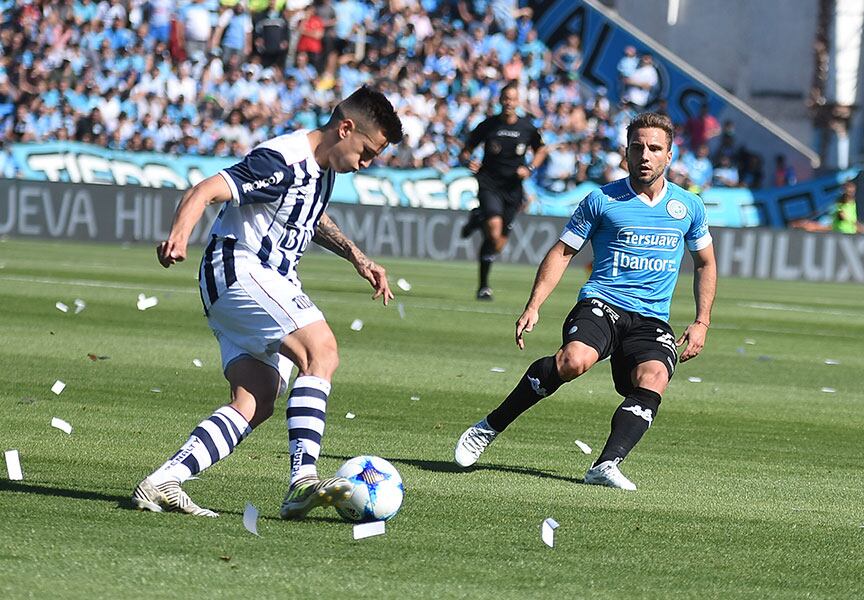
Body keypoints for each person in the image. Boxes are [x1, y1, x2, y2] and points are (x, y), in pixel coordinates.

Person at [131, 86, 404, 519]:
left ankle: (164, 480)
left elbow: (307, 215)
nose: (367, 163)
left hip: (255, 280)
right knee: (322, 351)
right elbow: (205, 189)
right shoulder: (281, 160)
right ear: (345, 128)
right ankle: (301, 482)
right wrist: (180, 234)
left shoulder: (325, 167)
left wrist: (357, 256)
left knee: (257, 399)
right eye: (367, 152)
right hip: (240, 269)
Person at [454, 112, 717, 490]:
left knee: (654, 377)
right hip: (602, 304)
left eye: (654, 149)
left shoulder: (688, 207)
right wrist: (534, 304)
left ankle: (605, 465)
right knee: (573, 361)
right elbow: (562, 252)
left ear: (669, 155)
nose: (645, 155)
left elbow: (705, 263)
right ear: (625, 152)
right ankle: (490, 426)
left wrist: (702, 320)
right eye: (637, 147)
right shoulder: (602, 200)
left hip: (651, 320)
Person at [459, 82, 548, 300]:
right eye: (505, 98)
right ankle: (483, 287)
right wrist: (469, 161)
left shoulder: (527, 127)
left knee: (497, 243)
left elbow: (541, 150)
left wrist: (529, 168)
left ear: (518, 102)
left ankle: (478, 218)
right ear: (500, 100)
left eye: (512, 98)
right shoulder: (488, 125)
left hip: (513, 189)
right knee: (494, 228)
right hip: (489, 183)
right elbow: (465, 150)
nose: (509, 102)